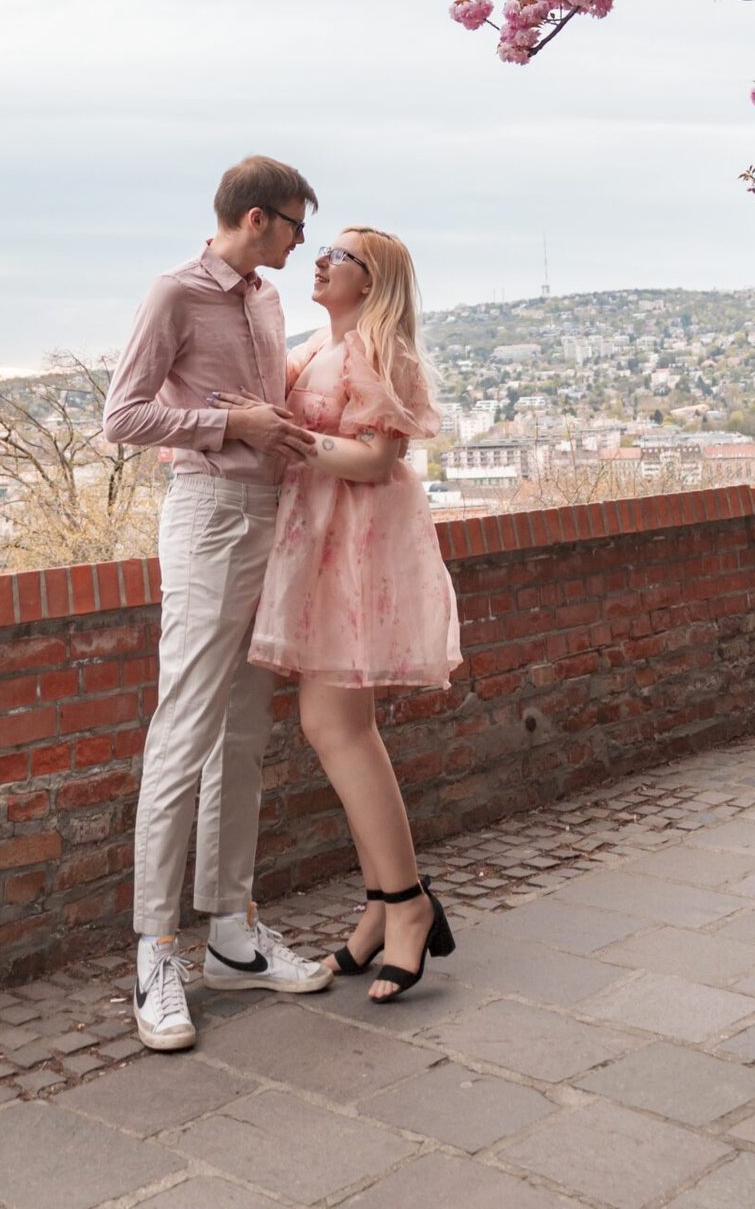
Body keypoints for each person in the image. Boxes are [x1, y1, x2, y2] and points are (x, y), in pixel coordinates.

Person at [103, 155, 335, 1053]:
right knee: (184, 729)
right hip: (206, 519)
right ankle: (155, 949)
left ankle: (232, 933)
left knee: (242, 733)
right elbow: (122, 417)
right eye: (293, 225)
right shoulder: (174, 294)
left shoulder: (269, 302)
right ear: (253, 219)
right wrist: (228, 424)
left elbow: (269, 402)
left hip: (269, 515)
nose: (300, 241)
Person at [234, 226, 462, 1002]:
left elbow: (374, 460)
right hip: (324, 547)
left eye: (340, 255)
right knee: (336, 727)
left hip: (354, 549)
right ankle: (383, 907)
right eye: (322, 249)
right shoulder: (318, 348)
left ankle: (406, 906)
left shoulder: (375, 348)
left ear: (372, 281)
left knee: (338, 728)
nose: (322, 260)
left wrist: (293, 444)